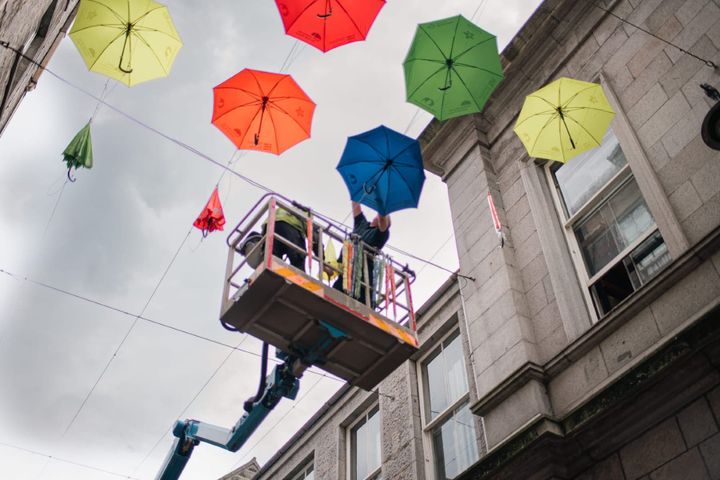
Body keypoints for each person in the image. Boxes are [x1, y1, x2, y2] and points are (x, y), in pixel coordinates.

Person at [334, 202, 391, 306]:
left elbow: (383, 221)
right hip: (346, 269)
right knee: (336, 294)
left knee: (360, 301)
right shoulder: (362, 223)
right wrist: (356, 189)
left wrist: (382, 203)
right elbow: (356, 206)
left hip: (362, 275)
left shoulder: (381, 234)